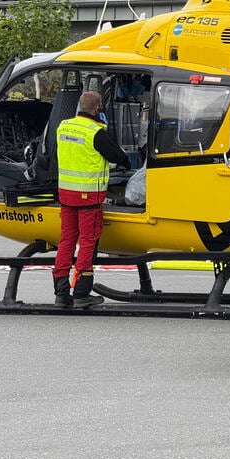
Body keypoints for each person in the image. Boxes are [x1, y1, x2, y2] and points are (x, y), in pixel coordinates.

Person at [52, 91, 129, 308]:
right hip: (89, 197)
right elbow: (117, 156)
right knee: (87, 241)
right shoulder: (96, 133)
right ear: (97, 109)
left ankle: (61, 293)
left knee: (67, 240)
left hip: (66, 194)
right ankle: (82, 293)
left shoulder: (63, 127)